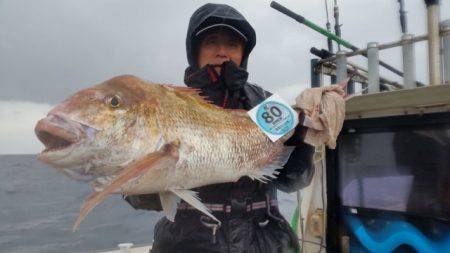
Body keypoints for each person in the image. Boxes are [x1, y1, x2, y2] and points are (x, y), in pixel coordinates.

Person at [125, 3, 315, 253]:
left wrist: (300, 140)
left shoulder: (267, 105)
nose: (222, 52)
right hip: (186, 243)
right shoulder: (165, 104)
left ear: (243, 53)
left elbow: (295, 180)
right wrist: (141, 175)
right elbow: (140, 199)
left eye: (233, 45)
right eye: (211, 42)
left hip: (263, 242)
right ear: (195, 51)